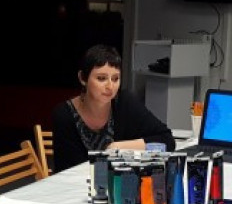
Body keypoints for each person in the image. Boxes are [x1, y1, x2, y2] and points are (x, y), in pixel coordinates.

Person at [52, 44, 175, 172]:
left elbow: (167, 141)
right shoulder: (64, 115)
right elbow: (66, 172)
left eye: (115, 79)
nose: (110, 86)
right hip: (79, 182)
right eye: (101, 78)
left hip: (121, 181)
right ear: (83, 78)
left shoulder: (125, 102)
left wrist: (119, 147)